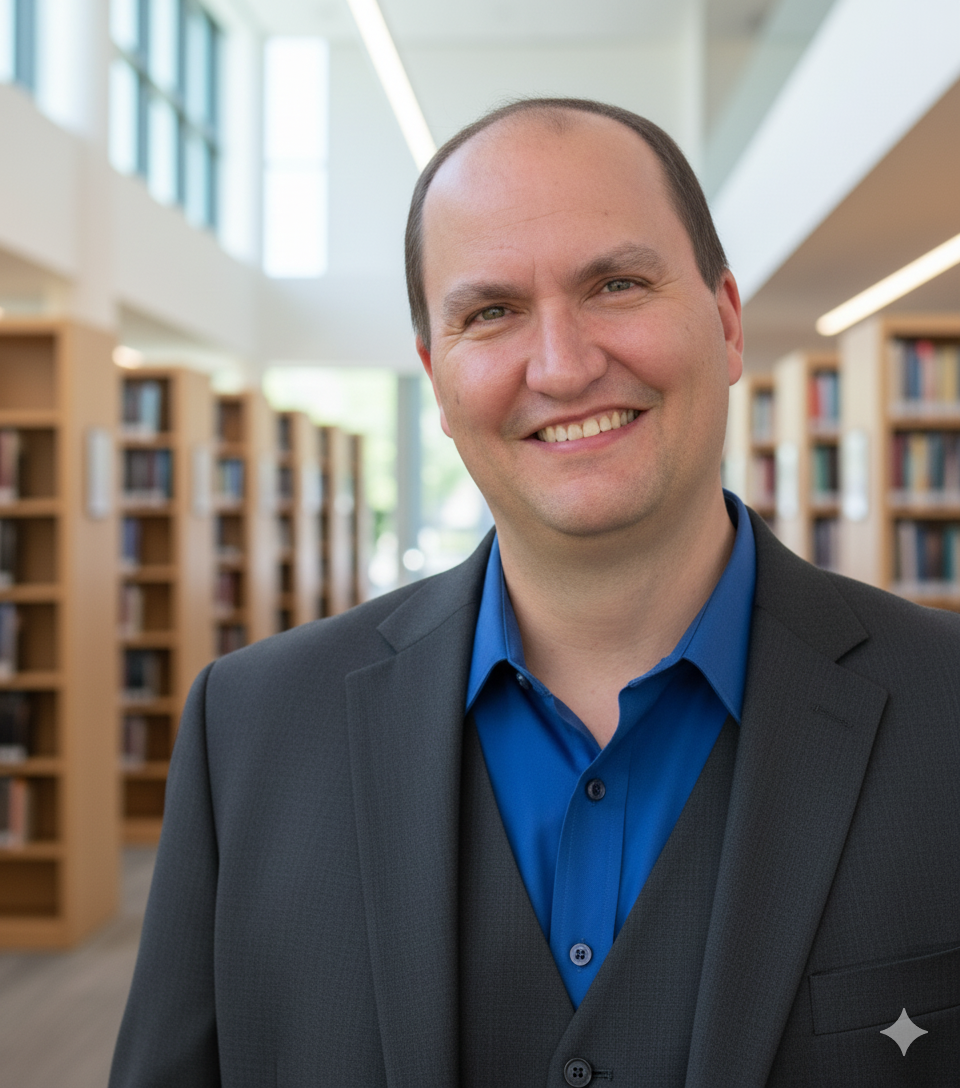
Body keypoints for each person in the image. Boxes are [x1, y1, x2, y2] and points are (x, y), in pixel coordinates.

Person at [110, 99, 960, 1088]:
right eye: (492, 312)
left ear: (726, 323)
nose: (562, 364)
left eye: (617, 283)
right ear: (437, 376)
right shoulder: (249, 729)